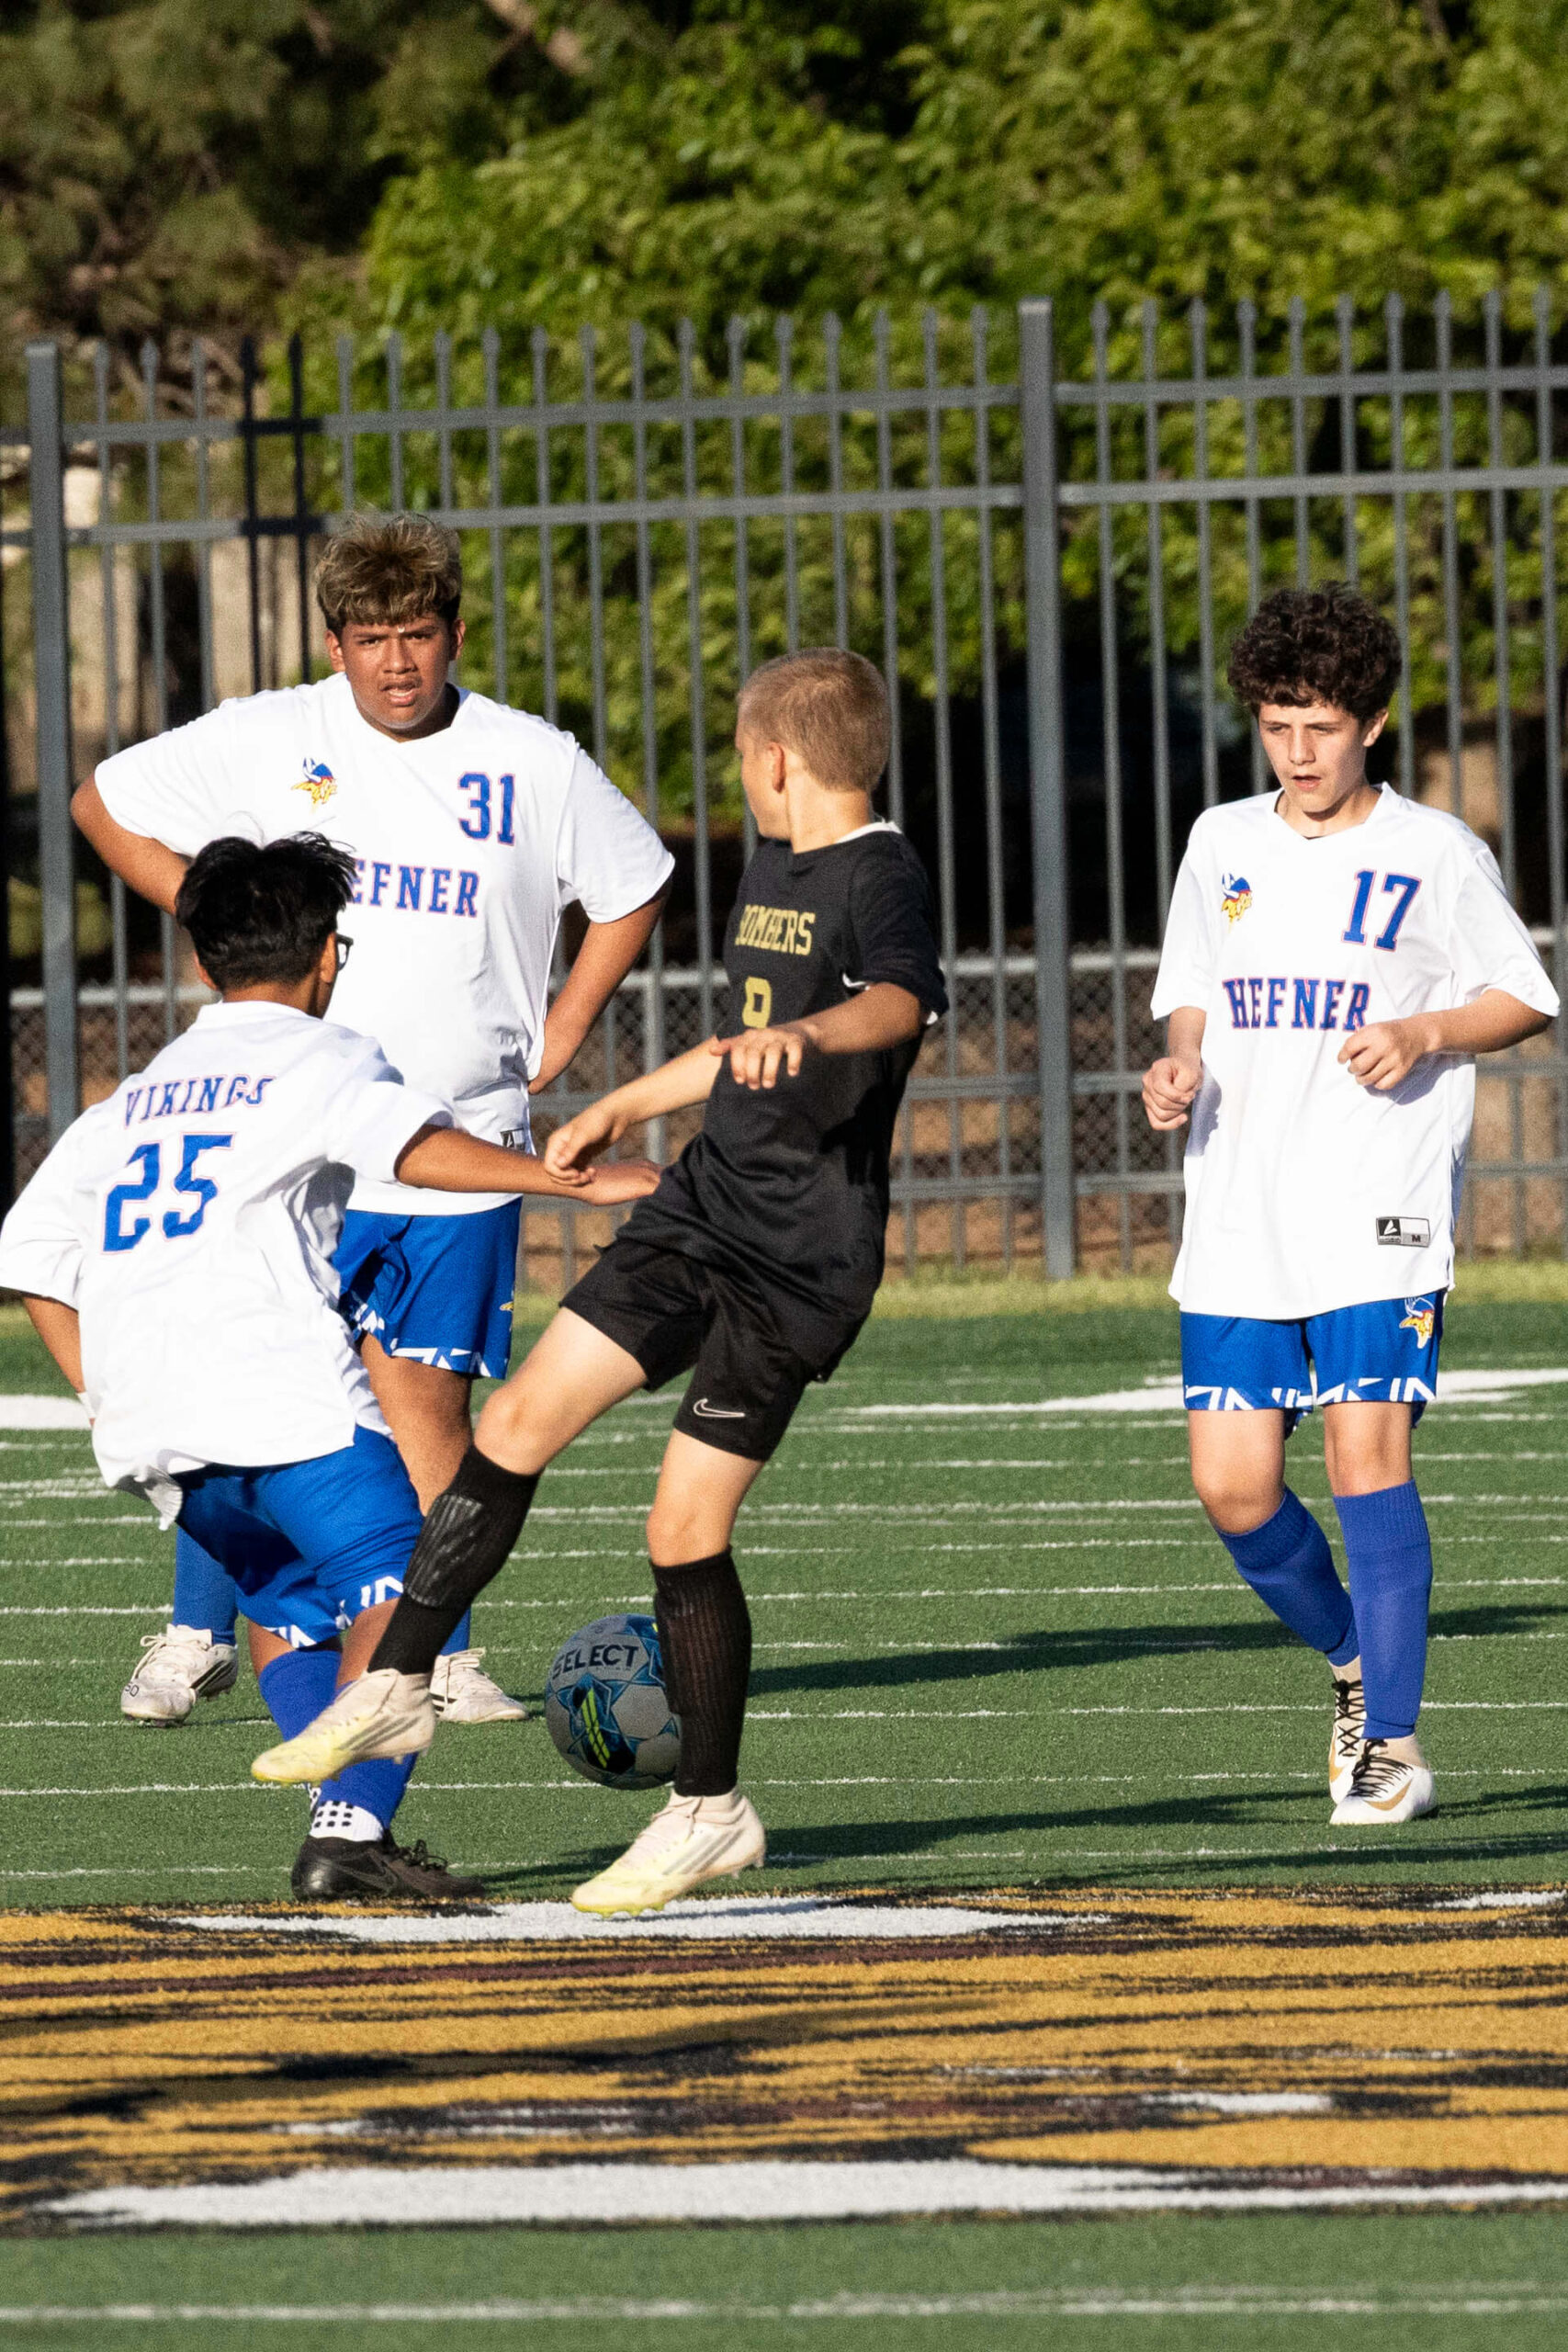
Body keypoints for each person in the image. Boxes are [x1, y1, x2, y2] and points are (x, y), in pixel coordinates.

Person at [249, 647, 948, 1914]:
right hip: (701, 1208)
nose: (742, 780)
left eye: (741, 761)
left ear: (775, 760)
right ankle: (399, 1681)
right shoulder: (774, 865)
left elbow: (900, 1003)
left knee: (683, 1528)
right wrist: (625, 1101)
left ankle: (709, 1811)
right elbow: (740, 1045)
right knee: (514, 1421)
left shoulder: (877, 870)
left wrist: (813, 1031)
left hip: (799, 1259)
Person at [73, 512, 673, 1730]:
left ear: (457, 632)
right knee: (249, 1388)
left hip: (462, 1138)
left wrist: (564, 1023)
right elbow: (103, 804)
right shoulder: (271, 734)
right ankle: (197, 1630)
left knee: (430, 1405)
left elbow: (636, 884)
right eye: (371, 638)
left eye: (418, 634)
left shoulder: (533, 760)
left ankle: (437, 1652)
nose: (397, 662)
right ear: (334, 643)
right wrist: (223, 920)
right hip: (295, 1141)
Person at [0, 834, 656, 1898]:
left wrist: (97, 1390)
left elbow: (29, 1252)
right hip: (283, 1399)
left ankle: (342, 1824)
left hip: (154, 1426)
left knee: (291, 1614)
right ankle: (348, 1836)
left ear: (203, 962)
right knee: (416, 1586)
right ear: (327, 956)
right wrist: (563, 1181)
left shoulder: (136, 1094)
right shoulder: (322, 1056)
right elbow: (414, 1150)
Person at [1140, 582, 1557, 1826]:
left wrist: (1425, 1031)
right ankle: (1352, 1659)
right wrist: (1177, 1065)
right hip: (1237, 1211)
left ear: (1369, 722)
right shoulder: (1220, 841)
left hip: (1378, 1205)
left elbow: (1523, 994)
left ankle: (1394, 1745)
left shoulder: (1435, 849)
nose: (1298, 752)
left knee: (1362, 1453)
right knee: (1231, 1488)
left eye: (1319, 726)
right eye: (1277, 727)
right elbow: (1191, 990)